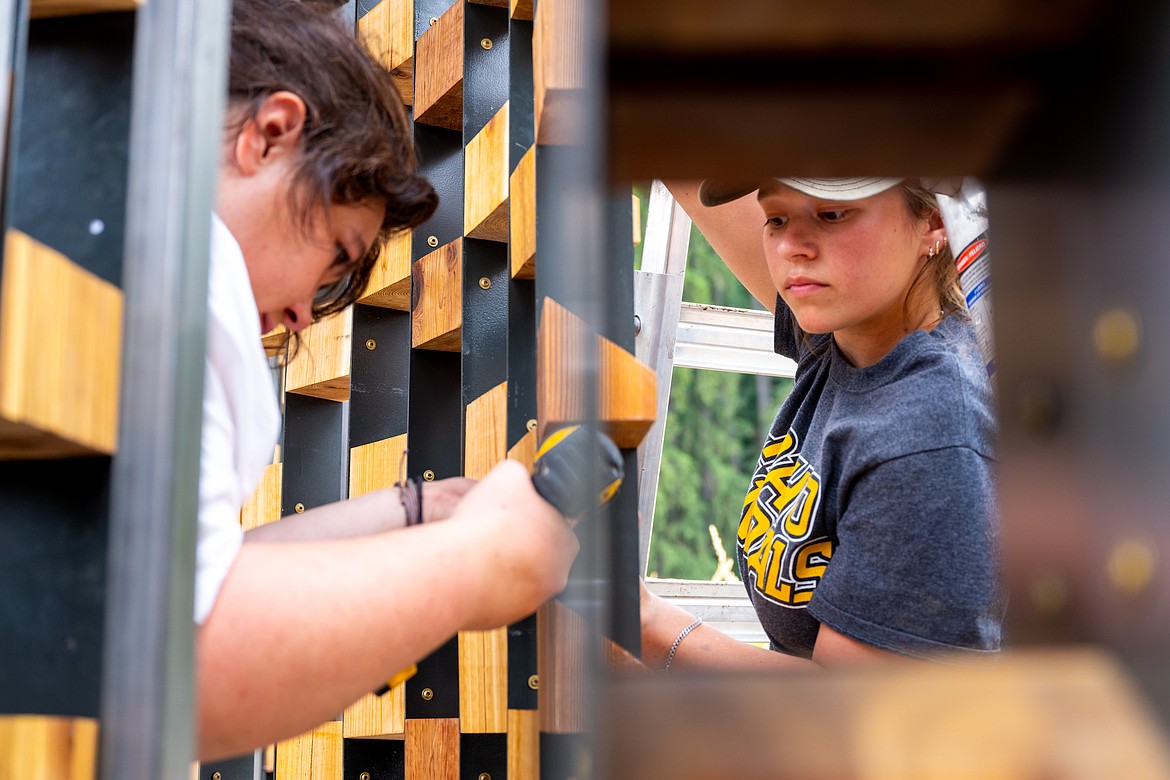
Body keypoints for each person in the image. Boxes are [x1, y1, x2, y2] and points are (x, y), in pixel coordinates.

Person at [196, 0, 579, 760]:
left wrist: (420, 509)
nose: (305, 315)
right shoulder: (188, 293)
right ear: (269, 134)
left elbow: (201, 570)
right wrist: (480, 562)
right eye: (338, 252)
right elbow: (182, 659)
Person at [640, 177, 1001, 671]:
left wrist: (645, 626)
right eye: (776, 218)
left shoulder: (932, 434)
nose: (792, 247)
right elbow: (684, 162)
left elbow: (851, 715)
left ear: (934, 221)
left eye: (832, 214)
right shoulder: (845, 331)